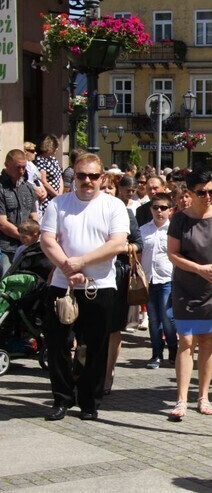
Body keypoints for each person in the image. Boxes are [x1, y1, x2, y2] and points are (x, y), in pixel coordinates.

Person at [40, 153, 129, 421]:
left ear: (102, 177)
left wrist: (81, 263)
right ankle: (62, 398)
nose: (87, 180)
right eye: (81, 175)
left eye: (93, 176)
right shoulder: (58, 203)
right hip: (62, 285)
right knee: (58, 345)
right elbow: (47, 240)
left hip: (99, 286)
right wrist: (68, 267)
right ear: (74, 177)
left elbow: (117, 244)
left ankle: (89, 401)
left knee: (95, 347)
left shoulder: (113, 206)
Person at [167, 170, 212, 420]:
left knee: (208, 340)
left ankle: (204, 396)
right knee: (186, 340)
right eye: (201, 192)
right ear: (189, 193)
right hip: (186, 286)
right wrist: (198, 269)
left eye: (211, 191)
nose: (208, 196)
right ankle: (181, 399)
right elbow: (172, 254)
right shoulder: (180, 220)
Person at [100, 174, 143, 394]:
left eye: (109, 188)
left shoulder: (125, 214)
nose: (106, 191)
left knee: (113, 327)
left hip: (117, 273)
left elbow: (138, 243)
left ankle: (108, 373)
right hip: (90, 275)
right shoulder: (86, 212)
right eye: (103, 188)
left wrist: (120, 247)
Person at [140, 192, 178, 369]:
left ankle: (173, 349)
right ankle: (156, 353)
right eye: (156, 207)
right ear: (151, 209)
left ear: (170, 210)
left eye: (163, 208)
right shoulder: (143, 230)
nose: (159, 211)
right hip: (148, 280)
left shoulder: (174, 230)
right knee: (153, 319)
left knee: (168, 317)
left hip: (167, 279)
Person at [0, 150, 38, 276]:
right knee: (5, 281)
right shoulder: (1, 188)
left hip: (27, 249)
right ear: (7, 165)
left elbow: (33, 216)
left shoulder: (27, 187)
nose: (21, 171)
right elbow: (2, 223)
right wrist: (24, 237)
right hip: (6, 248)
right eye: (18, 167)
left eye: (24, 167)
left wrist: (33, 236)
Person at [35, 134, 63, 213]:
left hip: (58, 196)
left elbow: (59, 177)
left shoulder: (53, 159)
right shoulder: (40, 160)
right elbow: (43, 181)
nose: (57, 149)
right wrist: (56, 195)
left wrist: (60, 194)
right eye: (55, 147)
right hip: (48, 198)